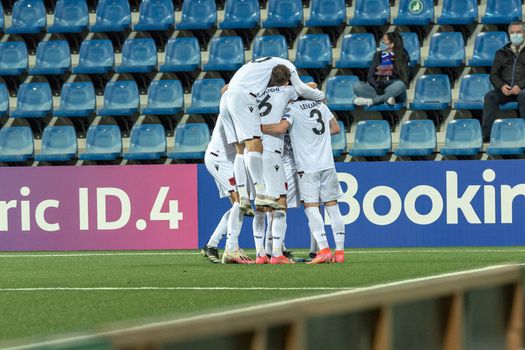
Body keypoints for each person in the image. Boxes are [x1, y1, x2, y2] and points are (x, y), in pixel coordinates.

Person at [221, 58, 325, 214]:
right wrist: (318, 94)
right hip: (271, 147)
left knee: (240, 150)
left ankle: (243, 195)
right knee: (254, 144)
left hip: (227, 99)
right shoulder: (288, 80)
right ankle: (260, 193)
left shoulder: (257, 73)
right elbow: (306, 88)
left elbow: (224, 89)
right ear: (286, 80)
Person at [262, 99, 346, 264]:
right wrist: (314, 135)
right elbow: (335, 128)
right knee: (333, 208)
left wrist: (257, 128)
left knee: (311, 209)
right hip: (328, 165)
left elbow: (280, 128)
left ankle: (323, 250)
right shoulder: (321, 105)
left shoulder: (293, 109)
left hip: (308, 167)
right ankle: (340, 252)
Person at [203, 109, 255, 264]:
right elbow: (241, 143)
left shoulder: (239, 102)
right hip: (219, 159)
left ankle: (211, 245)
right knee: (240, 203)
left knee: (237, 206)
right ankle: (232, 249)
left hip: (229, 161)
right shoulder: (233, 107)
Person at [482, 21, 525, 142]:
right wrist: (501, 86)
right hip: (505, 90)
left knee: (524, 95)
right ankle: (486, 135)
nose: (515, 35)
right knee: (490, 96)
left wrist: (520, 86)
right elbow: (493, 75)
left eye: (518, 32)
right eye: (512, 32)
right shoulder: (501, 52)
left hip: (522, 90)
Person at [353, 32, 410, 107]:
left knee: (400, 85)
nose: (381, 43)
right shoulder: (378, 55)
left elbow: (404, 79)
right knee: (357, 86)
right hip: (379, 89)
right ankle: (386, 99)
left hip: (395, 91)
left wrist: (386, 81)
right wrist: (377, 86)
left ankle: (372, 101)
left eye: (384, 41)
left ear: (391, 44)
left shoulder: (403, 56)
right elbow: (370, 76)